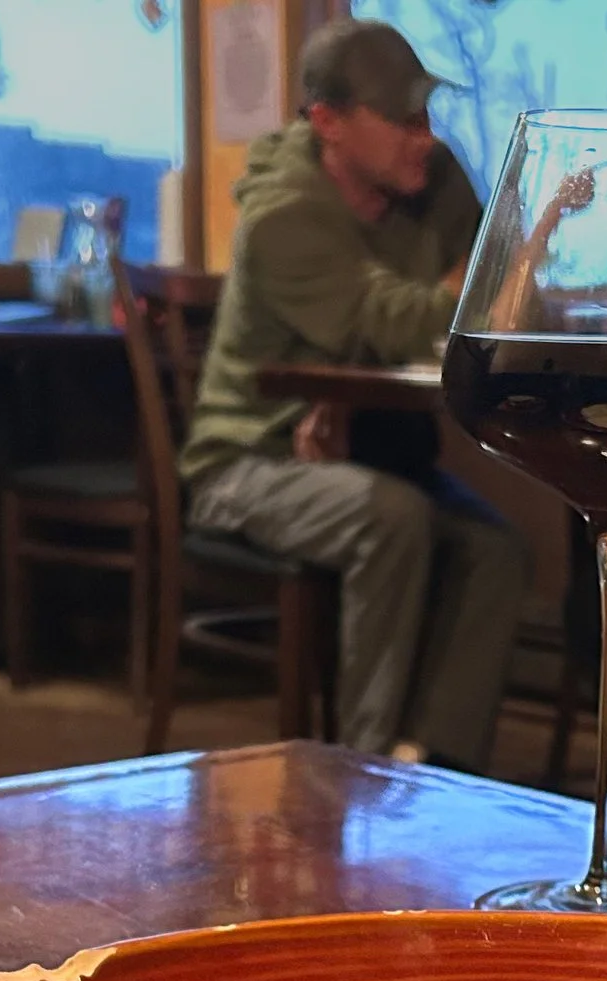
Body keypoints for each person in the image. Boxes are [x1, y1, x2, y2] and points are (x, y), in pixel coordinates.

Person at [180, 19, 529, 770]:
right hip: (251, 459)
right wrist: (476, 284)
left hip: (378, 450)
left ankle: (432, 765)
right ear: (328, 122)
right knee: (391, 519)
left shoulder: (435, 187)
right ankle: (359, 774)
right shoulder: (283, 214)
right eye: (402, 119)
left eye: (427, 116)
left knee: (497, 549)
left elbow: (494, 277)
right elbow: (399, 321)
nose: (424, 138)